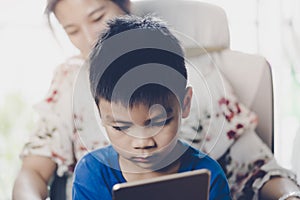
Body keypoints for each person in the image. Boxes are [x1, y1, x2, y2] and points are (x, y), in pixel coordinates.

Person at [12, 0, 300, 199]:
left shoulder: (198, 76)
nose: (88, 37)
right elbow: (33, 171)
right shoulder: (67, 84)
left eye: (97, 17)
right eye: (72, 30)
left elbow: (256, 163)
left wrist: (288, 195)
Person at [72, 15, 231, 200]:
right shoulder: (92, 173)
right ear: (100, 113)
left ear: (185, 104)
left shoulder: (209, 176)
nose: (142, 142)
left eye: (158, 122)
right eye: (120, 127)